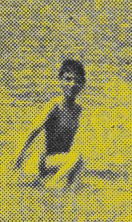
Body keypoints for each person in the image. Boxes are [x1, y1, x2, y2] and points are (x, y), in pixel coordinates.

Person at [13, 58, 86, 188]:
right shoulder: (54, 106)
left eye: (77, 80)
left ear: (82, 84)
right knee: (76, 158)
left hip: (55, 162)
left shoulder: (78, 110)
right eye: (68, 79)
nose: (72, 84)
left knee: (76, 178)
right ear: (60, 80)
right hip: (39, 162)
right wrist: (17, 157)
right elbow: (32, 131)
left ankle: (53, 189)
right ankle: (50, 188)